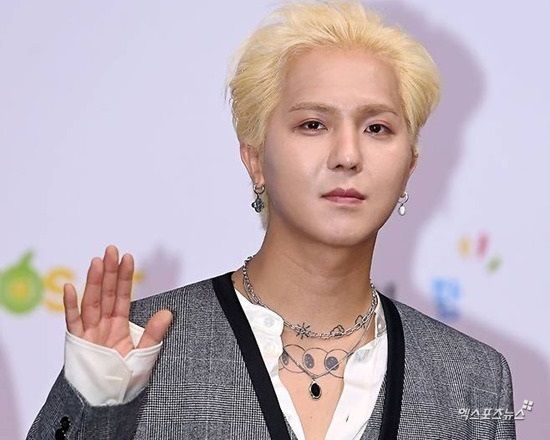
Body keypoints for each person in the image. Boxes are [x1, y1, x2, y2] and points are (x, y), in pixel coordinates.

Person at [27, 1, 516, 439]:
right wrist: (96, 401)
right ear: (255, 158)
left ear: (409, 165)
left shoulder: (472, 379)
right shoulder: (140, 345)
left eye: (377, 127)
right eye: (313, 124)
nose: (348, 155)